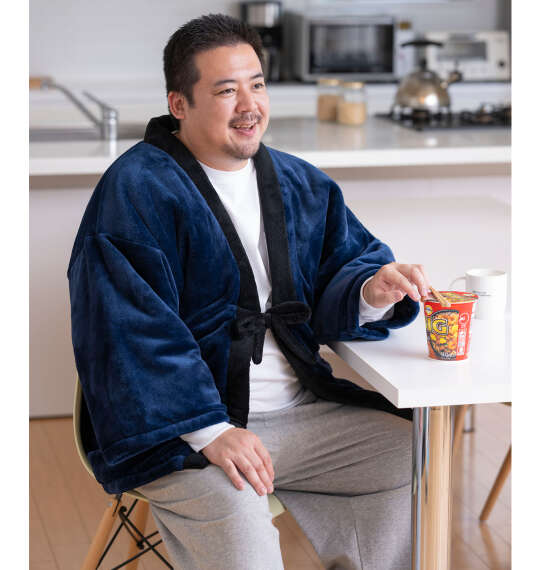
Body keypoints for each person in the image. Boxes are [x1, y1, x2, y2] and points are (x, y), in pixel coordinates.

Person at [68, 13, 431, 570]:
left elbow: (344, 265)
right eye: (226, 90)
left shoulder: (298, 181)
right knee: (239, 519)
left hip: (300, 416)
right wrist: (212, 432)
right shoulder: (135, 192)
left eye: (256, 85)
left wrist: (369, 290)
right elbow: (127, 332)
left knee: (410, 454)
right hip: (185, 433)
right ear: (179, 104)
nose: (249, 105)